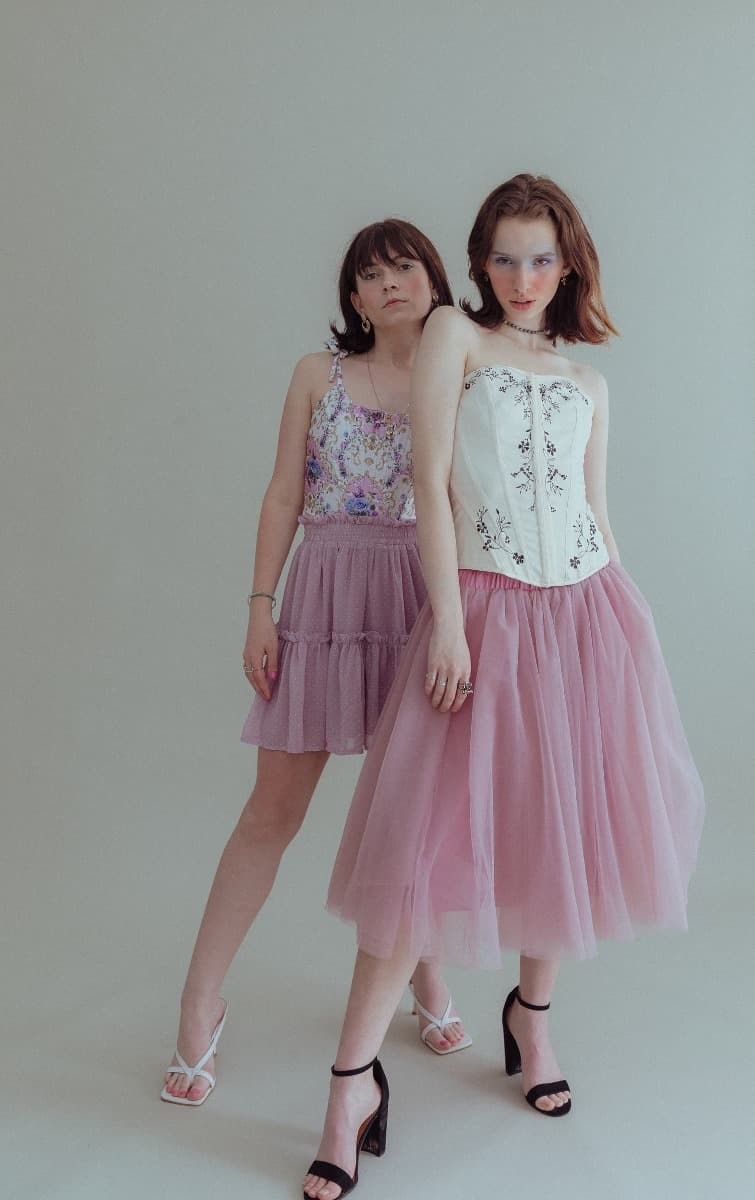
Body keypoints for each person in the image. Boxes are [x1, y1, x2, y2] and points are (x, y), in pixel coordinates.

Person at [303, 175, 704, 1199]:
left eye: (541, 260)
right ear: (477, 263)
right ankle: (349, 1084)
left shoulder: (587, 379)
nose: (521, 279)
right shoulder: (455, 339)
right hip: (483, 614)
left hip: (585, 613)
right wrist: (444, 620)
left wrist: (629, 624)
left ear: (566, 266)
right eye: (503, 258)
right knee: (416, 858)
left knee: (555, 828)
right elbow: (432, 485)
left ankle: (531, 1021)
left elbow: (592, 510)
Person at [161, 219, 472, 1108]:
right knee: (271, 812)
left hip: (423, 600)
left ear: (432, 276)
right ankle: (199, 1003)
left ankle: (423, 974)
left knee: (417, 810)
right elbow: (282, 494)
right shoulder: (317, 374)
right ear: (353, 298)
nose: (390, 285)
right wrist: (260, 608)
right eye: (369, 276)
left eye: (404, 266)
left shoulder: (459, 370)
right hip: (327, 598)